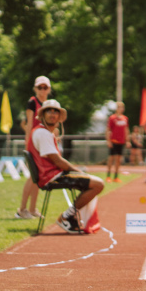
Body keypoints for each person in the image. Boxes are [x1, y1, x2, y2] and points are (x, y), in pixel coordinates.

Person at [27, 99, 104, 233]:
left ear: (59, 116)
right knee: (98, 184)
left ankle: (70, 216)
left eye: (55, 111)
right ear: (43, 115)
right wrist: (78, 171)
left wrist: (79, 172)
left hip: (53, 175)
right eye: (49, 111)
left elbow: (57, 161)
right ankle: (67, 217)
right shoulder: (42, 133)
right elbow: (57, 161)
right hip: (51, 177)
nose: (52, 114)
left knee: (91, 181)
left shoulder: (43, 132)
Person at [15, 76, 51, 219]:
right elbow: (29, 124)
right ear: (35, 89)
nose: (42, 90)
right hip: (34, 144)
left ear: (49, 89)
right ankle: (22, 209)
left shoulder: (49, 104)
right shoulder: (33, 102)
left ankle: (32, 209)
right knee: (33, 176)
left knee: (39, 177)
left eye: (45, 87)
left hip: (44, 144)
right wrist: (28, 142)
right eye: (39, 87)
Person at [106, 101, 128, 183]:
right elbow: (108, 130)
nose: (121, 109)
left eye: (122, 107)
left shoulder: (125, 118)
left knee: (118, 159)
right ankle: (108, 176)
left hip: (121, 141)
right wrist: (108, 141)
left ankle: (116, 176)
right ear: (117, 108)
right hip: (113, 140)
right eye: (120, 107)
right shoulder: (112, 118)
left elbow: (126, 130)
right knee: (111, 158)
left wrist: (127, 140)